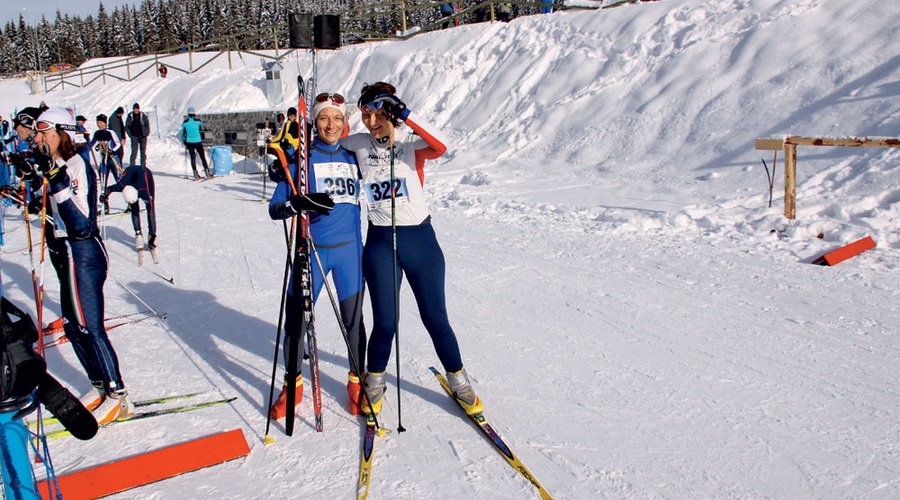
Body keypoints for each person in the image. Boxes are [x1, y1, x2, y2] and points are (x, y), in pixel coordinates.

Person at [342, 82, 482, 416]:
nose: (372, 121)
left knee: (435, 318)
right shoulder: (358, 144)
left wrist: (406, 114)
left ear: (391, 112)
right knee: (385, 322)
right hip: (379, 244)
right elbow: (327, 142)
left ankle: (459, 380)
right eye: (366, 114)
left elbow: (441, 145)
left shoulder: (411, 144)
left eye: (378, 113)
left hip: (420, 241)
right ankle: (374, 381)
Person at [11, 107, 133, 424]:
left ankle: (118, 394)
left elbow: (79, 222)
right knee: (71, 326)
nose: (37, 139)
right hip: (65, 253)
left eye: (43, 132)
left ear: (60, 133)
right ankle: (98, 385)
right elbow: (47, 210)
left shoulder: (77, 165)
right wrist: (29, 181)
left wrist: (55, 178)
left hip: (84, 251)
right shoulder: (60, 166)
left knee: (91, 327)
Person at [266, 92, 368, 420]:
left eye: (337, 119)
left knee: (353, 321)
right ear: (314, 123)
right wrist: (297, 204)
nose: (331, 124)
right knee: (296, 321)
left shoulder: (357, 157)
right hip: (312, 251)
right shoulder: (301, 161)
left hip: (350, 252)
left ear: (345, 123)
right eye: (324, 118)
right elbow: (275, 209)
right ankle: (292, 387)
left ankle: (356, 383)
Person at [101, 163, 156, 250]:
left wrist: (152, 234)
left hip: (146, 174)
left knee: (150, 205)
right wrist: (104, 196)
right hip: (129, 172)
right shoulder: (121, 186)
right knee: (134, 208)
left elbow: (150, 211)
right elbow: (109, 189)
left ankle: (151, 233)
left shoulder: (144, 191)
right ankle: (138, 234)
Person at [89, 114, 123, 215]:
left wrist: (112, 151)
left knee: (120, 181)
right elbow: (91, 144)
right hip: (103, 161)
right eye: (98, 123)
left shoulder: (110, 132)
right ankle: (105, 207)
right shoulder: (97, 133)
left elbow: (118, 144)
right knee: (103, 184)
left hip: (113, 160)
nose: (99, 125)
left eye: (101, 123)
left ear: (105, 123)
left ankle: (131, 203)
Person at [180, 107, 211, 179]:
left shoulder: (185, 123)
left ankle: (195, 173)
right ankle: (207, 172)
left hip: (189, 142)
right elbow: (202, 129)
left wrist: (184, 141)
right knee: (202, 157)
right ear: (194, 113)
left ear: (188, 114)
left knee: (192, 157)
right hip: (197, 141)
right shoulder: (198, 121)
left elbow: (182, 133)